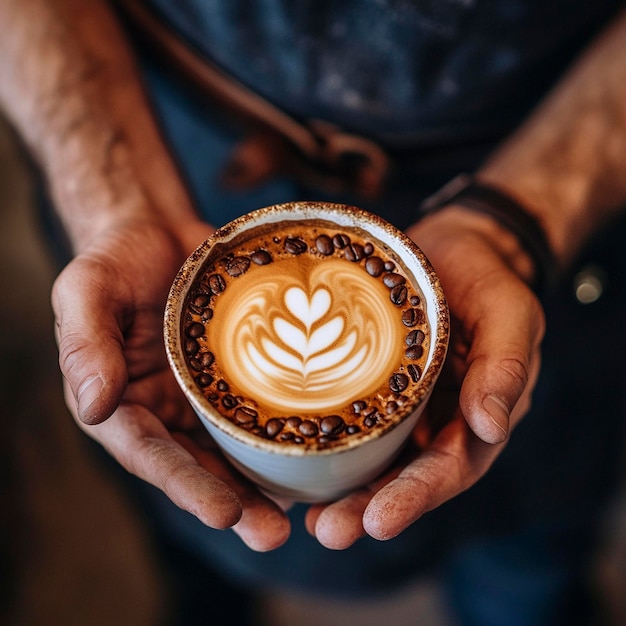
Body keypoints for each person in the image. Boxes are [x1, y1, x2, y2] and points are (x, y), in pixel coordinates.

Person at [1, 0, 626, 623]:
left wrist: (521, 218)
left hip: (543, 154)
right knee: (188, 532)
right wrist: (110, 195)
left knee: (527, 564)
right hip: (148, 126)